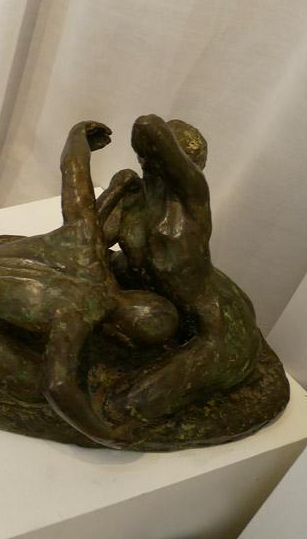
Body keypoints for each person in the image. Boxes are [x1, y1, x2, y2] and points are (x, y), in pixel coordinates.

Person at [0, 120, 179, 448]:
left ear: (134, 294)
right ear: (122, 337)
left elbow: (75, 179)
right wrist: (105, 434)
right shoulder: (80, 316)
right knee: (33, 385)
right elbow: (57, 385)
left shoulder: (87, 248)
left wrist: (78, 137)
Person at [95, 115, 260, 422]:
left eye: (166, 157)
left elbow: (147, 126)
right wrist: (112, 191)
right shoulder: (132, 196)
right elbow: (82, 243)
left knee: (123, 407)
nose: (151, 162)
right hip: (150, 301)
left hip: (212, 329)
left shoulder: (192, 201)